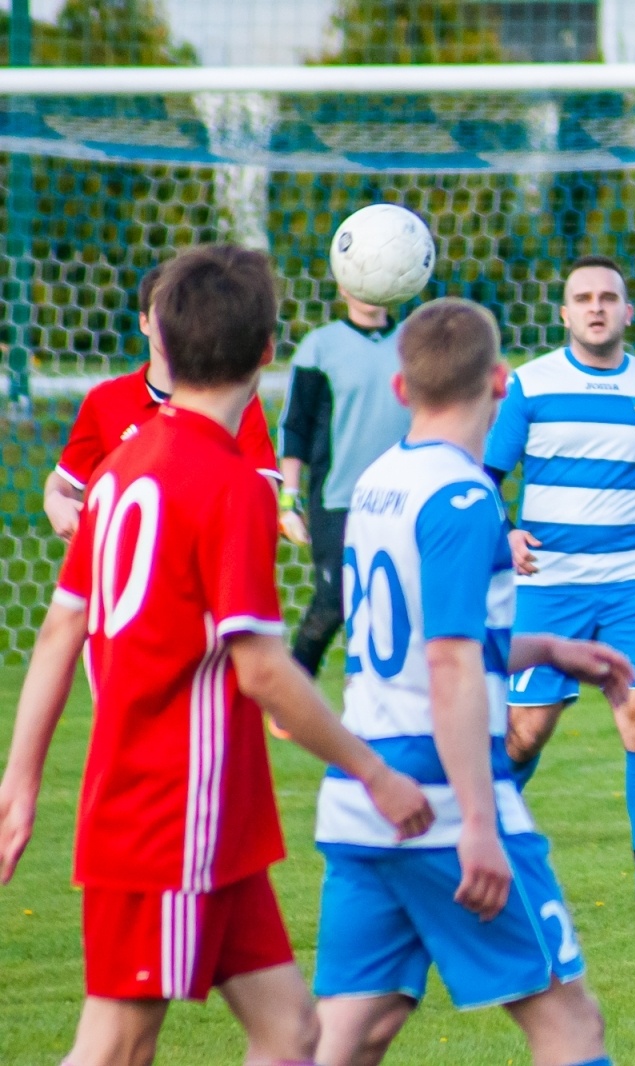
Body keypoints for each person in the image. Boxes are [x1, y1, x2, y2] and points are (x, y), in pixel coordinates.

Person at [0, 244, 435, 1066]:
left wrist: (20, 783)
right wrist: (372, 772)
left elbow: (62, 629)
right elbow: (263, 668)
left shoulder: (127, 461)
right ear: (268, 351)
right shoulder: (229, 482)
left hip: (217, 819)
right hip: (170, 810)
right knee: (116, 1047)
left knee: (292, 1035)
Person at [312, 298, 629, 1066]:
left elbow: (421, 634)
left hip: (361, 800)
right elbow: (448, 661)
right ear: (500, 381)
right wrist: (479, 827)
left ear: (400, 388)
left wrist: (547, 647)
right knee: (568, 1025)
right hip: (442, 804)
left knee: (354, 1033)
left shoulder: (378, 483)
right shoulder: (462, 497)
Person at [486, 255, 635, 913]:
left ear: (627, 311)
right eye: (582, 297)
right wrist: (503, 532)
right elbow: (484, 476)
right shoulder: (529, 387)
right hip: (547, 585)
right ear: (564, 313)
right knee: (526, 730)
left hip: (628, 584)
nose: (596, 307)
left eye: (608, 297)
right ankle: (474, 839)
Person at [42, 260, 280, 540]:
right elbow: (65, 481)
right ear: (144, 322)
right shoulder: (106, 401)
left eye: (187, 312)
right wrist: (54, 501)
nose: (176, 322)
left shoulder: (234, 400)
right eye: (166, 310)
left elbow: (265, 490)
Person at [277, 283, 412, 678]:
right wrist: (289, 500)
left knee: (396, 604)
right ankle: (293, 692)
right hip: (338, 501)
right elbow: (295, 427)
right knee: (333, 600)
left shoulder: (411, 344)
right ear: (343, 284)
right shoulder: (320, 347)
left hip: (404, 498)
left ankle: (382, 696)